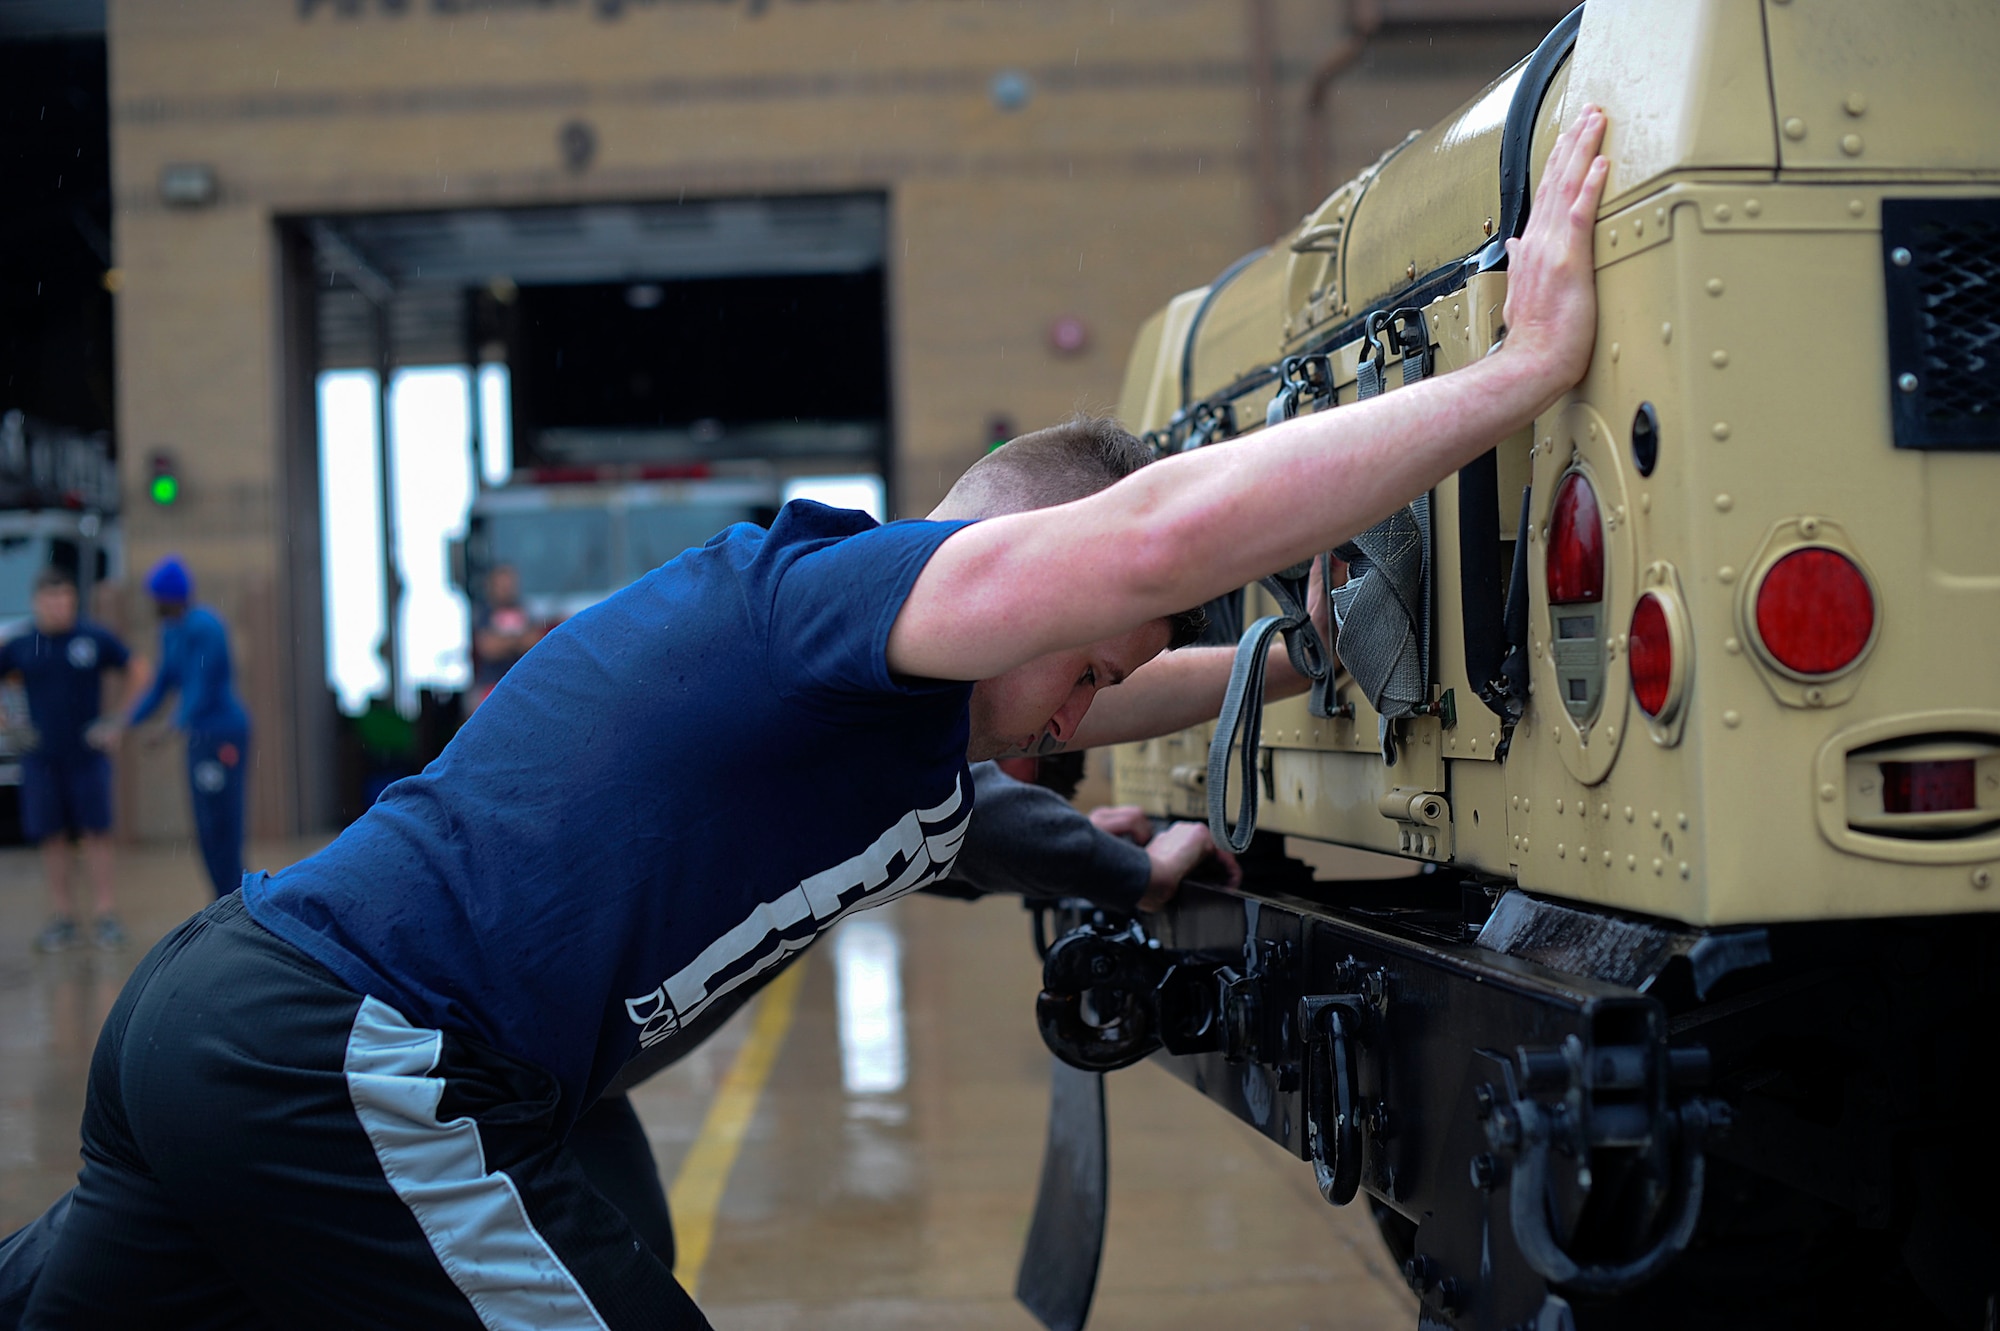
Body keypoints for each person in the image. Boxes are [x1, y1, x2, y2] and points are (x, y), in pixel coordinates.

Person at [18, 111, 1607, 1329]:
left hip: (245, 1020)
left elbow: (1020, 795)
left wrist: (1272, 672)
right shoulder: (833, 593)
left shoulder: (886, 748)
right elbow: (1150, 542)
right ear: (1023, 584)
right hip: (351, 1052)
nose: (1086, 713)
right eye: (1088, 665)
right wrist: (1518, 371)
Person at [0, 567, 146, 952]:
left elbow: (139, 669)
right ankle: (62, 918)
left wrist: (117, 720)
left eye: (65, 599)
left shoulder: (92, 638)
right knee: (53, 837)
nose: (59, 607)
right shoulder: (22, 644)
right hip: (42, 758)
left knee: (97, 833)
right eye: (51, 600)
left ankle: (105, 915)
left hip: (88, 755)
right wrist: (9, 726)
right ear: (37, 603)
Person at [119, 557, 251, 899]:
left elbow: (198, 684)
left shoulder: (205, 627)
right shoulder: (170, 631)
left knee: (224, 822)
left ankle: (237, 898)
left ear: (173, 597)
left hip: (222, 735)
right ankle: (221, 897)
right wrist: (124, 723)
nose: (152, 604)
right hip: (198, 738)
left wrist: (170, 727)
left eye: (156, 596)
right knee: (205, 824)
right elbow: (162, 683)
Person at [469, 563, 544, 712]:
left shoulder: (525, 609)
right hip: (492, 687)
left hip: (524, 686)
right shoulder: (484, 613)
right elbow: (488, 648)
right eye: (502, 585)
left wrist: (504, 641)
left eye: (510, 584)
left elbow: (536, 642)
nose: (507, 589)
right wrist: (518, 640)